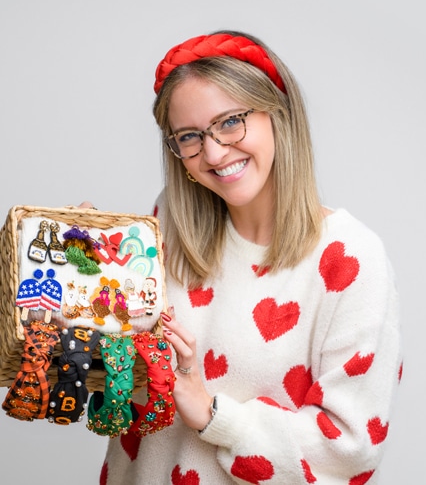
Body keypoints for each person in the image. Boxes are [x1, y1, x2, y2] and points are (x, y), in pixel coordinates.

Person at [100, 30, 402, 484]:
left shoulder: (350, 258)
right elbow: (118, 367)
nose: (214, 152)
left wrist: (213, 415)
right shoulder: (166, 228)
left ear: (278, 113)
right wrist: (86, 268)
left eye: (230, 122)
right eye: (190, 136)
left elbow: (349, 450)